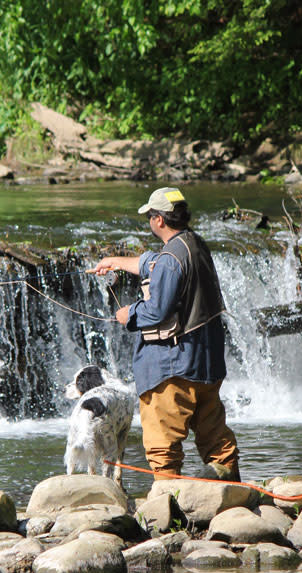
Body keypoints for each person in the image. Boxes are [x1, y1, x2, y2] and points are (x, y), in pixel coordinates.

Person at [91, 187, 240, 481]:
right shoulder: (195, 244)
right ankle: (232, 493)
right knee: (216, 440)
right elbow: (158, 263)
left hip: (173, 369)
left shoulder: (171, 259)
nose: (149, 220)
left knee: (163, 447)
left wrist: (128, 314)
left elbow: (157, 311)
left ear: (159, 220)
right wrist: (118, 262)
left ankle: (167, 511)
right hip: (206, 364)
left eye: (150, 215)